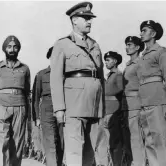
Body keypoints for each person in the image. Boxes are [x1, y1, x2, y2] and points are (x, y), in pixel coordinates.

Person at [50, 2, 106, 166]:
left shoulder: (95, 45)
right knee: (74, 149)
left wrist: (102, 106)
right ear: (74, 20)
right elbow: (56, 78)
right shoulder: (62, 44)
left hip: (94, 105)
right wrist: (59, 108)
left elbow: (100, 77)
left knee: (90, 149)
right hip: (73, 104)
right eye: (86, 18)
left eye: (90, 18)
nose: (89, 22)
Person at [0, 35, 31, 166]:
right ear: (4, 49)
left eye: (15, 47)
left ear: (18, 49)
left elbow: (27, 92)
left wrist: (28, 116)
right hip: (1, 107)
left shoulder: (25, 69)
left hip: (20, 107)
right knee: (1, 144)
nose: (12, 49)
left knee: (17, 144)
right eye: (9, 47)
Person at [137, 20, 166, 166]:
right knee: (149, 141)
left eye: (144, 30)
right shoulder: (142, 56)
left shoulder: (161, 52)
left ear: (153, 33)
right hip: (145, 103)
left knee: (161, 141)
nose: (141, 33)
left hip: (158, 101)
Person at [32, 47, 64, 166]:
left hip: (63, 108)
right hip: (46, 108)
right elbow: (35, 98)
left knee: (61, 142)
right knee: (49, 142)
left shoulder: (65, 74)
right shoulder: (41, 75)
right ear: (50, 57)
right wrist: (36, 118)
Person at [122, 36, 146, 166]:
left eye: (130, 45)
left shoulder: (140, 63)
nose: (127, 47)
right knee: (128, 140)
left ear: (138, 47)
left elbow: (143, 85)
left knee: (136, 140)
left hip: (135, 105)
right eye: (126, 44)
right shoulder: (128, 65)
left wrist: (142, 106)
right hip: (126, 106)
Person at [103, 51, 124, 166]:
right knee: (110, 142)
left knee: (115, 142)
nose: (106, 62)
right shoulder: (110, 75)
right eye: (105, 60)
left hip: (114, 111)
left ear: (115, 61)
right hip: (106, 112)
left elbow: (121, 89)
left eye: (108, 60)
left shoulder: (118, 74)